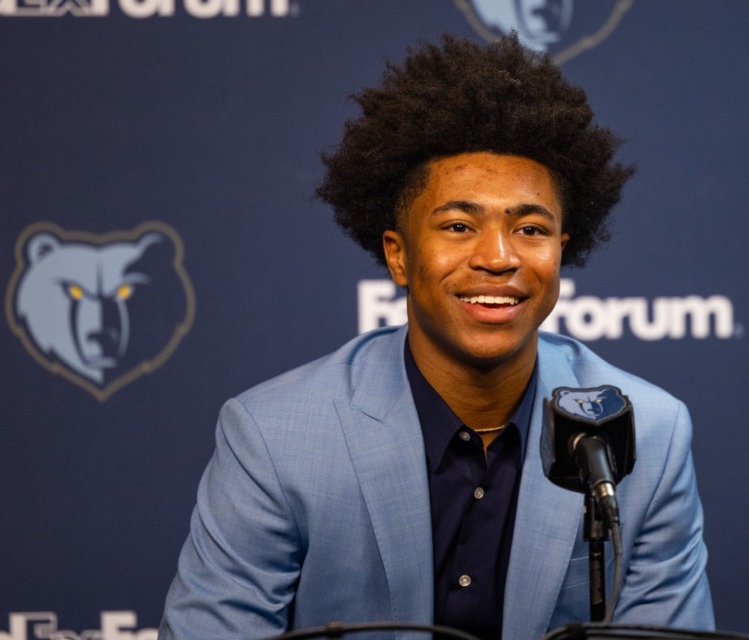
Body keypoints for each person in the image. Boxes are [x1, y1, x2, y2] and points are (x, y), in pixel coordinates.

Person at [159, 34, 713, 640]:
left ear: (562, 251)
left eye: (530, 228)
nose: (499, 258)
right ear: (398, 256)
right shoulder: (275, 438)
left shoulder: (649, 434)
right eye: (458, 225)